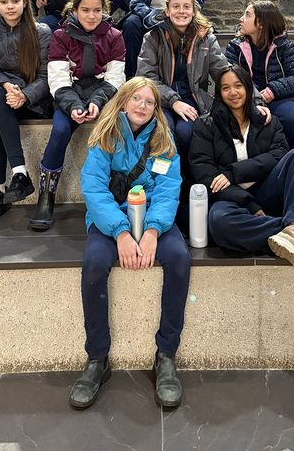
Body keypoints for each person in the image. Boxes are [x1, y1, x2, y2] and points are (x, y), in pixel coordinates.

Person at [70, 77, 191, 410]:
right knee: (94, 264)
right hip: (112, 222)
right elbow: (94, 189)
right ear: (123, 102)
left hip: (153, 219)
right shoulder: (105, 139)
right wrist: (122, 232)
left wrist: (152, 231)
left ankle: (166, 356)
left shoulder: (164, 142)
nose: (142, 106)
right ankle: (97, 359)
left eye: (149, 102)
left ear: (156, 109)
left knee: (180, 259)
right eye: (136, 99)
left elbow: (168, 191)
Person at [189, 65, 294, 274]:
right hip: (230, 198)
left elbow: (279, 155)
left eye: (238, 85)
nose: (232, 92)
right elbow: (205, 174)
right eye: (225, 88)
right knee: (219, 223)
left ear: (248, 87)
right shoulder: (206, 125)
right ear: (219, 93)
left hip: (267, 191)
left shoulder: (268, 120)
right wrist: (248, 203)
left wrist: (234, 173)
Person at [29, 0, 126, 231]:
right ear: (74, 10)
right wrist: (73, 106)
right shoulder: (61, 35)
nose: (91, 16)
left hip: (102, 93)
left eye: (97, 10)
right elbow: (58, 78)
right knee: (60, 131)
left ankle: (117, 192)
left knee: (119, 129)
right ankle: (46, 197)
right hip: (69, 93)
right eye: (85, 10)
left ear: (104, 11)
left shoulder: (114, 36)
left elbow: (116, 78)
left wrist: (97, 102)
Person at [0, 0, 52, 220]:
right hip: (4, 96)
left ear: (25, 3)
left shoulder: (41, 32)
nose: (10, 6)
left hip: (35, 102)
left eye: (15, 1)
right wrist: (8, 85)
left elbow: (46, 76)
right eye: (4, 2)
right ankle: (17, 176)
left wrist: (25, 95)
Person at [137, 0, 230, 168]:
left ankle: (187, 179)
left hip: (193, 97)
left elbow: (225, 73)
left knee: (187, 132)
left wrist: (255, 101)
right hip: (159, 98)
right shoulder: (153, 37)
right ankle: (163, 182)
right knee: (165, 131)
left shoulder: (206, 39)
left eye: (187, 7)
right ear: (167, 11)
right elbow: (146, 78)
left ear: (194, 11)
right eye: (176, 6)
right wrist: (173, 101)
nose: (181, 11)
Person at [225, 1, 294, 149]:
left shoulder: (284, 46)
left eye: (247, 15)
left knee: (292, 119)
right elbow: (230, 77)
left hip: (277, 97)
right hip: (246, 98)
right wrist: (255, 96)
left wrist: (273, 91)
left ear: (261, 23)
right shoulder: (235, 47)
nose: (241, 19)